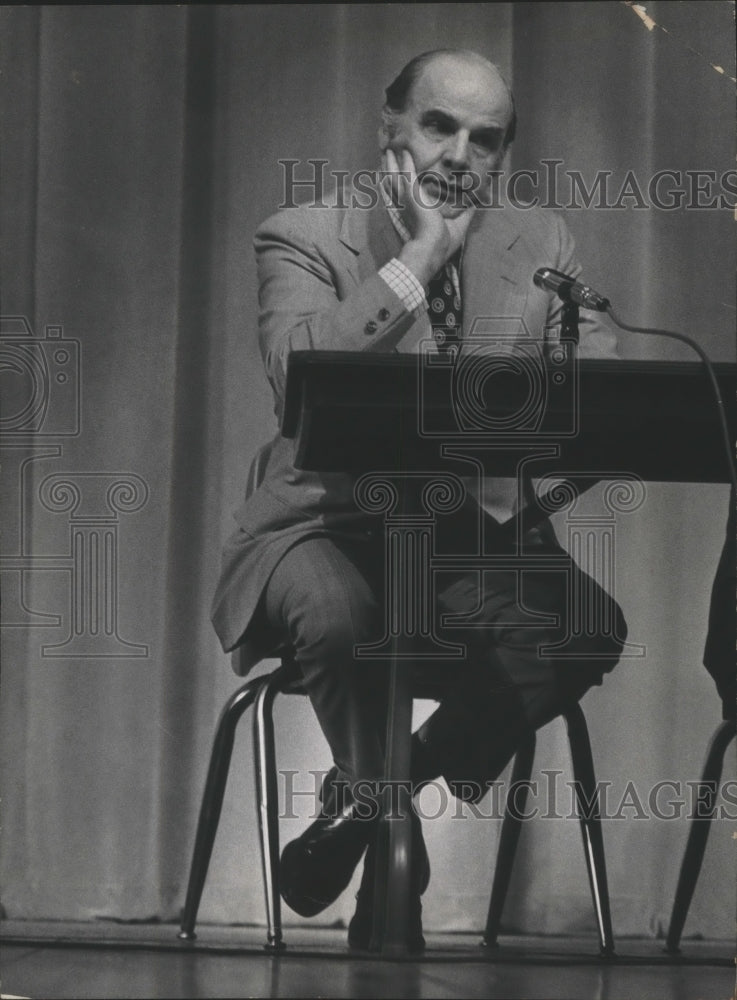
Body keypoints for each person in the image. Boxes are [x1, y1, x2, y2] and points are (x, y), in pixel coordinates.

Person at [211, 48, 626, 950]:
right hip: (320, 522)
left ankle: (371, 803)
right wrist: (417, 259)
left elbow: (601, 395)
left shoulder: (541, 245)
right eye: (438, 126)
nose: (458, 155)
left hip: (455, 532)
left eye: (485, 139)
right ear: (389, 125)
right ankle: (387, 824)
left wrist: (550, 460)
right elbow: (295, 372)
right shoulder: (304, 232)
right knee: (339, 618)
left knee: (583, 624)